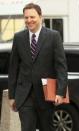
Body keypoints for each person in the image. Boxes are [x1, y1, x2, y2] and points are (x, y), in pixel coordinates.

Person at [8, 3, 68, 131]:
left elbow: (61, 66)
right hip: (25, 96)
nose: (29, 20)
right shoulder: (18, 38)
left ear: (41, 17)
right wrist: (12, 96)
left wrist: (60, 92)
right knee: (27, 127)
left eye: (32, 17)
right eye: (26, 18)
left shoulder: (53, 36)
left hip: (46, 94)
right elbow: (13, 68)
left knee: (46, 128)